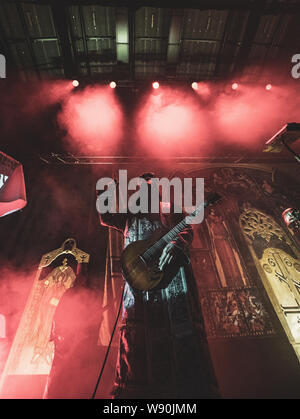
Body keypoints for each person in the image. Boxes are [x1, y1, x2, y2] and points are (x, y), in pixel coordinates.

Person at [98, 173, 219, 399]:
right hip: (140, 289)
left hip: (171, 285)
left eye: (152, 185)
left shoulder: (168, 209)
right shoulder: (129, 215)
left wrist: (176, 244)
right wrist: (106, 192)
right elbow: (105, 217)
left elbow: (185, 229)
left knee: (181, 345)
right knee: (136, 345)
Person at [43, 262, 102, 399]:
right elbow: (58, 316)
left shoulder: (92, 294)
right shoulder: (70, 293)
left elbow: (95, 319)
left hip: (82, 346)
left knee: (78, 377)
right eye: (80, 275)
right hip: (65, 343)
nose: (82, 278)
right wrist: (60, 335)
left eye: (85, 275)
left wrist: (88, 329)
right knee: (60, 376)